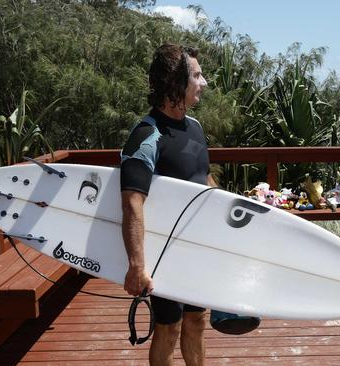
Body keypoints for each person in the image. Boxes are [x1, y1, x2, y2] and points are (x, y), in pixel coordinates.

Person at [120, 43, 211, 366]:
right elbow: (132, 201)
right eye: (197, 76)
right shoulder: (147, 134)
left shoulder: (195, 128)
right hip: (163, 253)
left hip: (196, 248)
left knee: (197, 321)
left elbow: (203, 180)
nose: (204, 83)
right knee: (169, 327)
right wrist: (136, 265)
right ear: (176, 82)